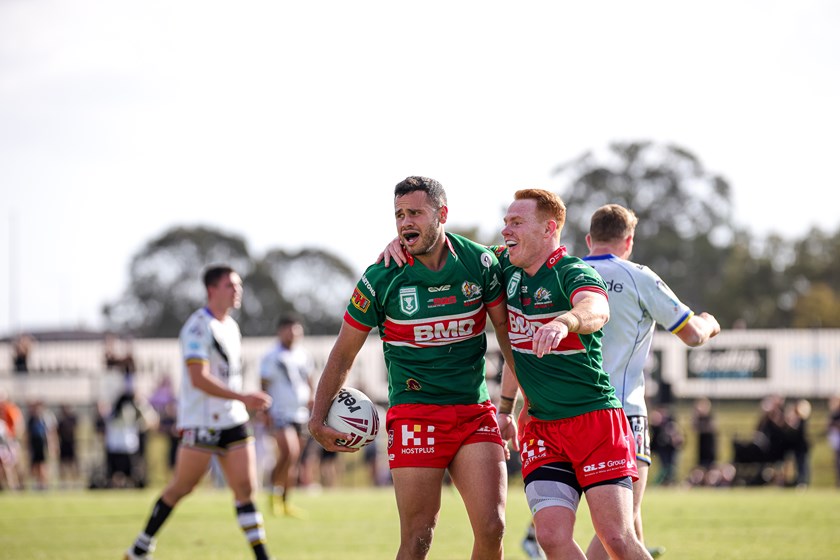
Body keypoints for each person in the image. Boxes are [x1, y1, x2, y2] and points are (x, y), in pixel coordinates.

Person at [309, 176, 516, 560]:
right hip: (416, 415)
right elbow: (341, 354)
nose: (406, 223)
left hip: (473, 412)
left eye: (416, 213)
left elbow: (507, 333)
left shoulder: (480, 263)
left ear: (443, 214)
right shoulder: (381, 277)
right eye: (399, 215)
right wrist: (317, 419)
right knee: (419, 537)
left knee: (493, 527)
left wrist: (509, 407)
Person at [490, 189, 652, 560]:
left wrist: (565, 322)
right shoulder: (506, 268)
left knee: (616, 536)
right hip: (543, 429)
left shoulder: (572, 270)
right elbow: (455, 251)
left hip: (595, 423)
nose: (505, 231)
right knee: (549, 535)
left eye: (516, 223)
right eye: (505, 223)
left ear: (549, 228)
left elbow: (596, 308)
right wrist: (505, 408)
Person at [579, 203, 721, 558]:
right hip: (621, 413)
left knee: (623, 522)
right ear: (628, 241)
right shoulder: (637, 276)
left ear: (588, 239)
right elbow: (691, 334)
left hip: (566, 413)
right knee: (617, 526)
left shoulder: (567, 272)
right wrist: (710, 322)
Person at [125, 265, 274, 560]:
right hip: (203, 422)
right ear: (212, 290)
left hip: (233, 418)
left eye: (238, 285)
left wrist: (242, 401)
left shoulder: (231, 326)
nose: (237, 290)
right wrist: (243, 396)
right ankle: (141, 546)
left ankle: (263, 557)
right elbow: (198, 378)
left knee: (246, 488)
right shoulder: (197, 327)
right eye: (231, 285)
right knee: (181, 488)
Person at [260, 315, 314, 516]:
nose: (293, 334)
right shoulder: (271, 356)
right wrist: (264, 411)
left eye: (296, 330)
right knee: (289, 452)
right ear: (280, 331)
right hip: (280, 412)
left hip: (300, 413)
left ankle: (284, 502)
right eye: (289, 329)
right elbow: (263, 383)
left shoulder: (303, 355)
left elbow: (308, 380)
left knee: (294, 459)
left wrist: (313, 400)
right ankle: (272, 493)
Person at [25, 400, 57, 490]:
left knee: (43, 465)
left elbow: (50, 433)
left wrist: (52, 445)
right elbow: (28, 434)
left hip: (42, 444)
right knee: (35, 466)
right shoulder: (31, 419)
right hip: (34, 445)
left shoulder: (45, 418)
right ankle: (39, 484)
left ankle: (45, 484)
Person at [56, 404, 80, 487]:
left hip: (71, 444)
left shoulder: (73, 419)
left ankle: (75, 482)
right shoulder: (60, 421)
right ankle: (64, 483)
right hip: (63, 444)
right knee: (62, 464)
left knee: (73, 464)